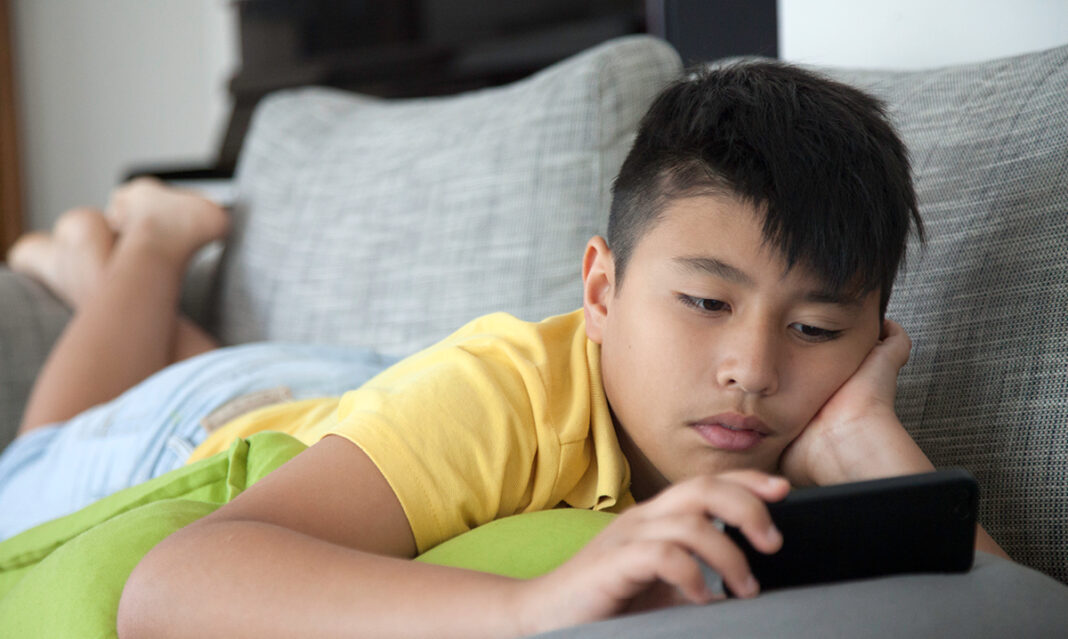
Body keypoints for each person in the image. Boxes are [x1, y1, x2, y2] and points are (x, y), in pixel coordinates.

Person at [0, 61, 1007, 638]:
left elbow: (1014, 608)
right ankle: (148, 240)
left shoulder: (804, 411)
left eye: (817, 328)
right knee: (36, 453)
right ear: (601, 290)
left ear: (873, 336)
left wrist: (877, 448)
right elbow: (175, 582)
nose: (754, 367)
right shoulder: (506, 392)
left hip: (362, 400)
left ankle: (112, 267)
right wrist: (530, 605)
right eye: (705, 300)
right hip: (209, 432)